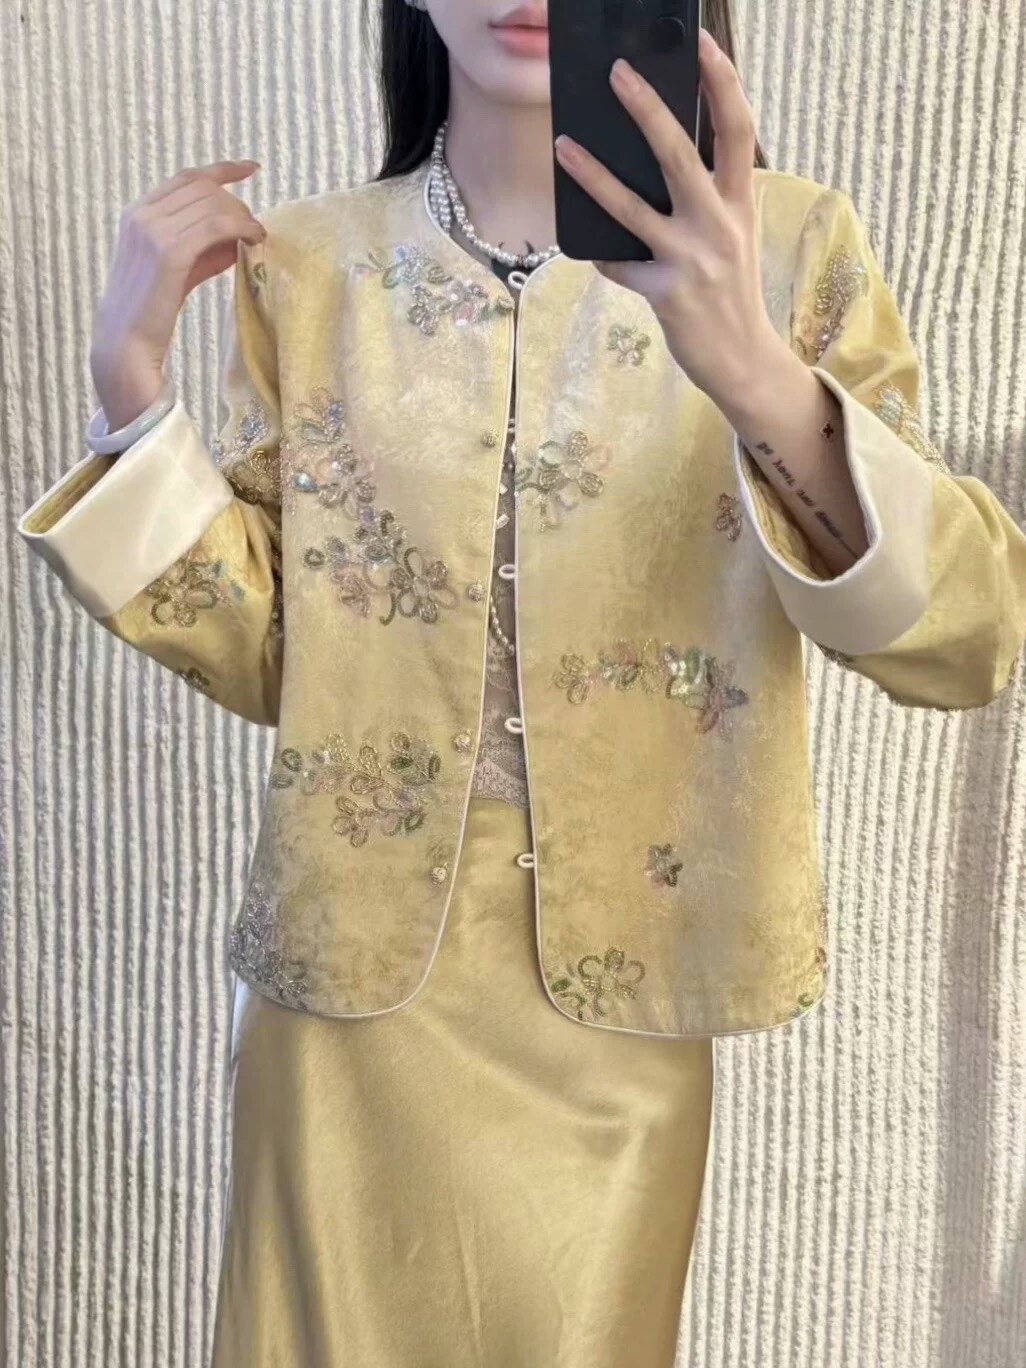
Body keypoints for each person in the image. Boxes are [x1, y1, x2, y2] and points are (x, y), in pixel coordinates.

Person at [16, 1, 1026, 1364]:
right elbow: (286, 661)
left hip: (623, 988)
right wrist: (132, 389)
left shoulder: (788, 249)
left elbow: (965, 637)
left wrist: (748, 368)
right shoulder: (308, 266)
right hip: (346, 996)